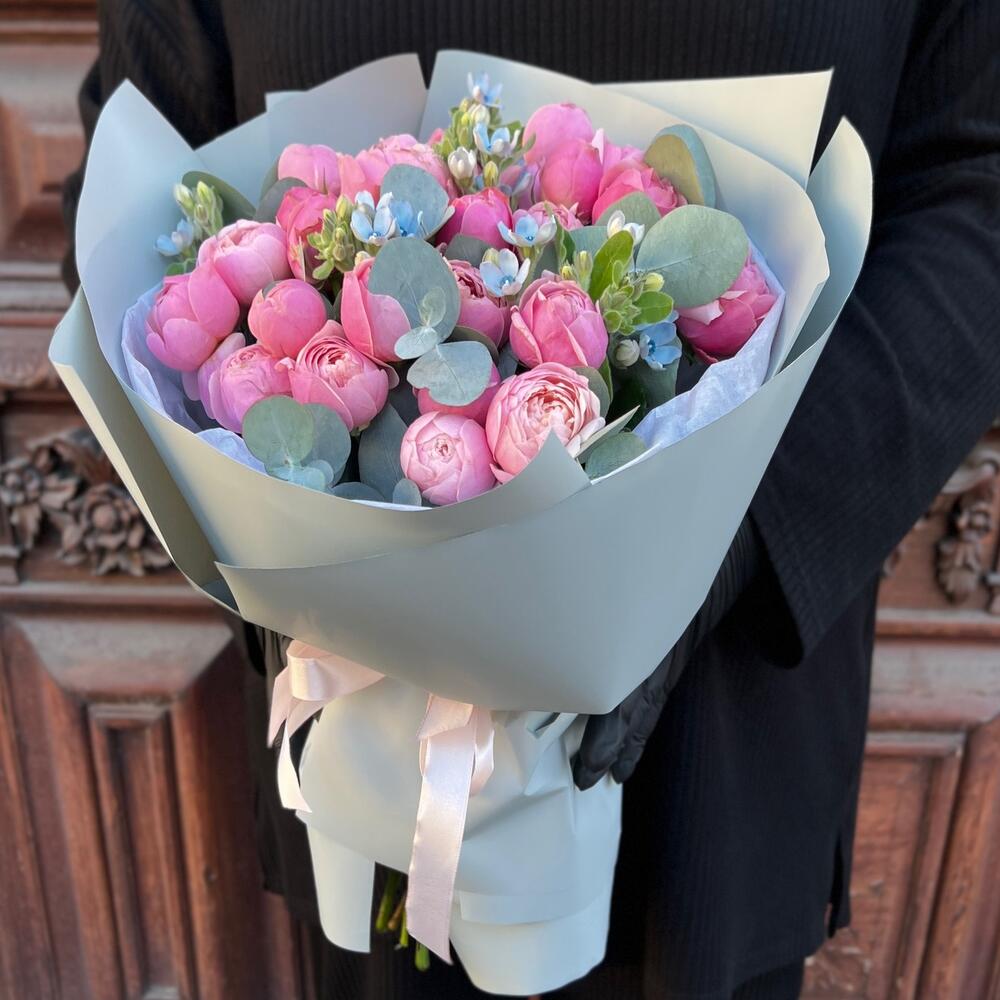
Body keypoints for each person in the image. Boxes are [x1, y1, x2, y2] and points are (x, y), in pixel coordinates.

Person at [62, 2, 1000, 997]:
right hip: (350, 706)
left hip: (726, 723)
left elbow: (975, 189)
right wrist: (300, 553)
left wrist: (722, 541)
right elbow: (146, 174)